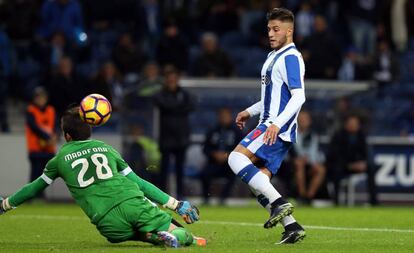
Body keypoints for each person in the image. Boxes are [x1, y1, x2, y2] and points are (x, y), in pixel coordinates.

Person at [1, 107, 204, 248]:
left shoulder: (59, 160)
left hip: (108, 225)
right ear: (90, 129)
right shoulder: (107, 149)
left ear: (67, 136)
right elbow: (139, 183)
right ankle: (181, 237)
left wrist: (5, 205)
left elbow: (33, 188)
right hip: (133, 204)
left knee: (135, 233)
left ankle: (155, 237)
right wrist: (176, 205)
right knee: (184, 233)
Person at [227, 8, 306, 244]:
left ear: (289, 31)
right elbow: (271, 96)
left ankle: (280, 204)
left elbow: (298, 96)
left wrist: (277, 124)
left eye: (276, 29)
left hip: (274, 127)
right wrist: (249, 111)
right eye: (269, 29)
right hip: (271, 125)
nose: (271, 34)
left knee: (235, 159)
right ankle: (292, 227)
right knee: (258, 180)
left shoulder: (290, 57)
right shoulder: (274, 56)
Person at [153, 65, 195, 199]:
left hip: (181, 137)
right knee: (163, 170)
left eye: (174, 79)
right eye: (169, 79)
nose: (172, 81)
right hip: (166, 137)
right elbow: (163, 104)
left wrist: (173, 107)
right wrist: (179, 107)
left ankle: (180, 195)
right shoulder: (161, 94)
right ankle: (162, 196)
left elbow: (192, 104)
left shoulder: (184, 94)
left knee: (179, 169)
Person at [327, 114, 377, 205]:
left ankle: (373, 201)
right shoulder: (338, 135)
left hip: (356, 166)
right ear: (346, 124)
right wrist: (348, 165)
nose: (353, 125)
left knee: (371, 167)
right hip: (342, 166)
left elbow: (365, 153)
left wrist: (363, 163)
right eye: (351, 123)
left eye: (355, 123)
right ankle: (336, 201)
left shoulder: (361, 136)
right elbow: (335, 155)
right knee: (336, 170)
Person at [201, 107, 243, 205]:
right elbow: (205, 148)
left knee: (234, 174)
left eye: (226, 116)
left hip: (230, 163)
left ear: (230, 117)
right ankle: (206, 198)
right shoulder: (213, 130)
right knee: (204, 173)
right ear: (218, 117)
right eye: (221, 116)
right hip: (214, 162)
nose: (224, 118)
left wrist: (228, 155)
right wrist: (214, 154)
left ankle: (223, 199)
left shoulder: (237, 132)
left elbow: (242, 148)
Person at [292, 110, 326, 204]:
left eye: (305, 119)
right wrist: (302, 158)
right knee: (299, 164)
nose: (303, 121)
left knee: (321, 169)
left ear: (309, 121)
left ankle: (309, 197)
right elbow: (293, 151)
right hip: (292, 164)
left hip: (309, 163)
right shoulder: (290, 134)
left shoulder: (312, 136)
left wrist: (311, 161)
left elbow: (314, 152)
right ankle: (301, 195)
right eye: (301, 119)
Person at [25, 87, 57, 186]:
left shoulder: (51, 110)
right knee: (35, 173)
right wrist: (48, 138)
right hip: (35, 148)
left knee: (45, 175)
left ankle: (41, 195)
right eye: (38, 97)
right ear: (34, 99)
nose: (41, 100)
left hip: (49, 148)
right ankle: (31, 196)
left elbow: (56, 126)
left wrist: (56, 136)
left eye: (43, 97)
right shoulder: (31, 110)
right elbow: (34, 127)